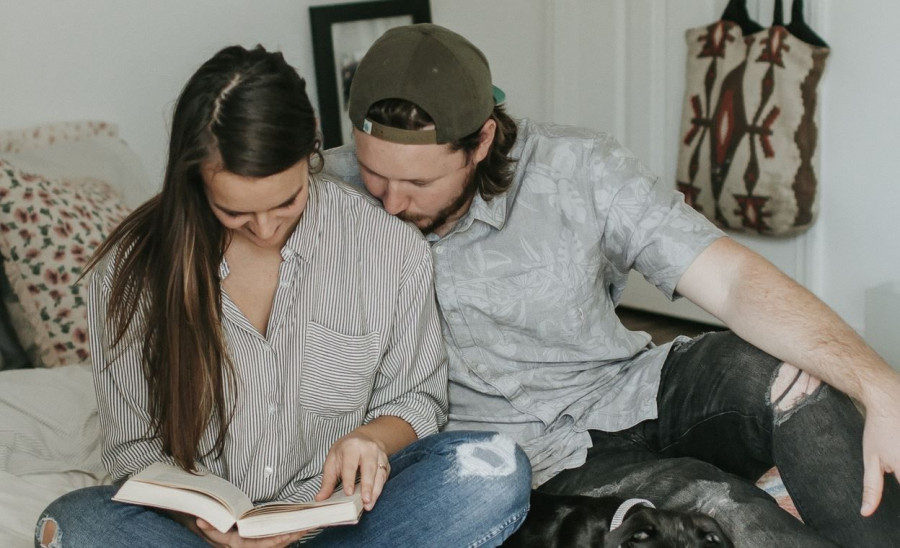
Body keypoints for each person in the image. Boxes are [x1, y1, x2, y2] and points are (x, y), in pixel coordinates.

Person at [323, 23, 900, 547]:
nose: (390, 203)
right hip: (538, 458)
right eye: (373, 172)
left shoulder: (576, 166)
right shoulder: (323, 200)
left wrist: (879, 386)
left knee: (797, 382)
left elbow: (731, 280)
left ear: (481, 141)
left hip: (629, 388)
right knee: (717, 511)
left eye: (419, 183)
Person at [34, 45, 531, 548]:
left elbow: (417, 397)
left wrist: (370, 439)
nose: (266, 228)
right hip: (205, 540)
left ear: (311, 145)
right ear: (195, 180)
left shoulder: (388, 247)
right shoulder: (131, 270)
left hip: (338, 525)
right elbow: (133, 447)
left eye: (286, 201)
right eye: (235, 212)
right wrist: (202, 524)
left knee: (493, 470)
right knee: (71, 523)